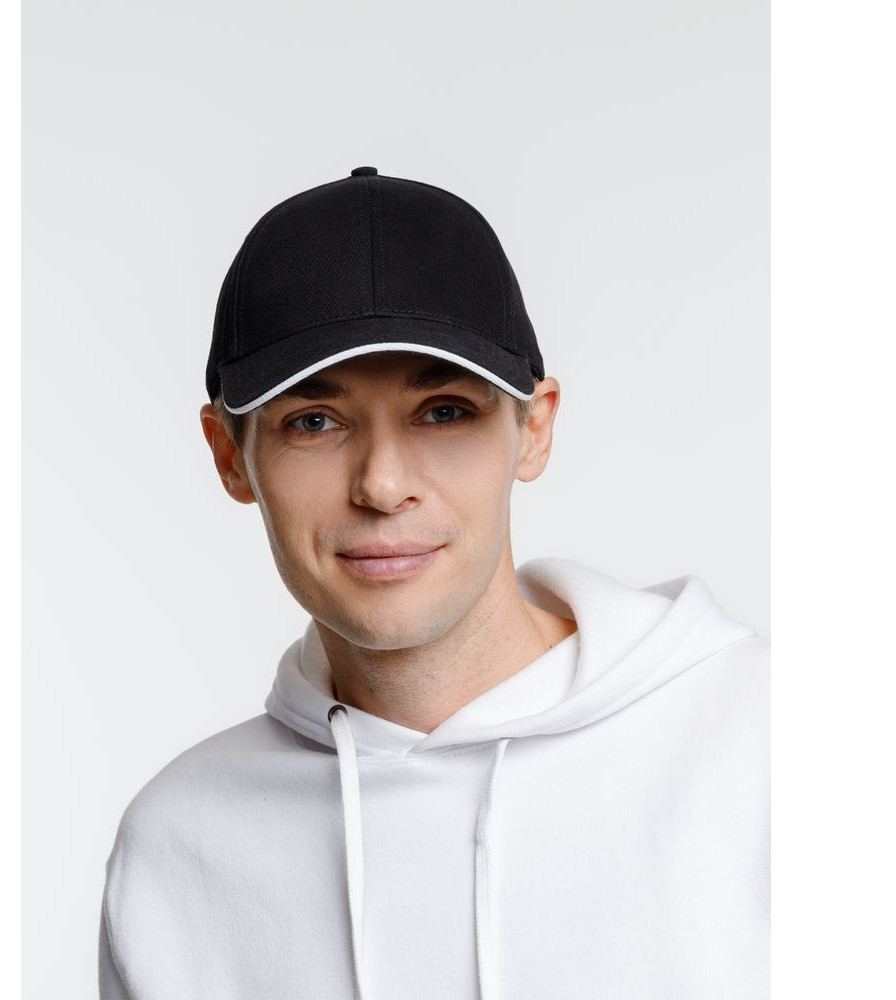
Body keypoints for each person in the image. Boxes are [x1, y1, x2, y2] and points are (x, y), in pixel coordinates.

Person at [98, 167, 770, 1000]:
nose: (382, 486)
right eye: (315, 421)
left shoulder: (767, 744)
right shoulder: (178, 846)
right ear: (230, 455)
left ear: (535, 429)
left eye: (444, 410)